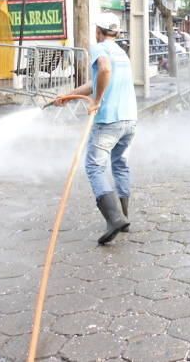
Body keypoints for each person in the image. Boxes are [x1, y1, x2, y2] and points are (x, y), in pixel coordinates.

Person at [54, 12, 137, 244]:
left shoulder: (100, 48)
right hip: (129, 121)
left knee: (93, 167)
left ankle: (114, 219)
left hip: (108, 119)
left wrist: (98, 102)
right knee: (120, 165)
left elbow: (104, 70)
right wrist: (69, 95)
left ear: (98, 31)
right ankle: (123, 218)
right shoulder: (121, 52)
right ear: (117, 32)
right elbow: (97, 80)